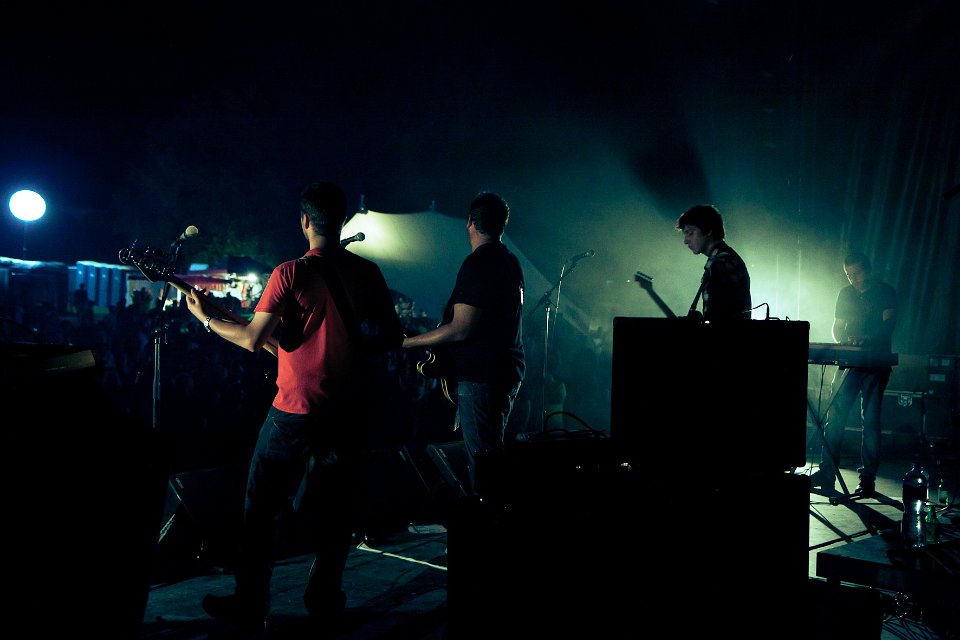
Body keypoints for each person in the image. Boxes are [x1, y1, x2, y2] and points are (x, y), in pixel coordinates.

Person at [184, 180, 405, 631]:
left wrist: (206, 319)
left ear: (305, 221)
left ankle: (252, 601)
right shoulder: (368, 273)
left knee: (262, 506)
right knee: (335, 507)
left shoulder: (290, 273)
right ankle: (325, 598)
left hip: (295, 409)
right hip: (346, 409)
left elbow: (252, 340)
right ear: (341, 220)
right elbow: (388, 336)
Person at [402, 191, 525, 494]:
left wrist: (409, 343)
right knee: (489, 455)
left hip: (482, 378)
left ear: (470, 222)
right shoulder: (511, 262)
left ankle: (488, 520)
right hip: (504, 372)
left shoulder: (479, 263)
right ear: (502, 224)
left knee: (484, 467)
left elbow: (461, 329)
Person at [810, 252, 897, 495]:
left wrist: (866, 339)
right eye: (849, 275)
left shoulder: (885, 292)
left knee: (870, 422)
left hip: (876, 362)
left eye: (857, 273)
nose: (853, 279)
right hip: (850, 363)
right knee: (834, 416)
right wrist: (843, 344)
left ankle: (867, 480)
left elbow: (889, 325)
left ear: (868, 270)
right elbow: (838, 326)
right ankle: (827, 473)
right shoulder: (845, 294)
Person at [676, 204, 752, 321]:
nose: (686, 241)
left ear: (708, 230)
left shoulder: (722, 263)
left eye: (690, 233)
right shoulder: (721, 260)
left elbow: (724, 318)